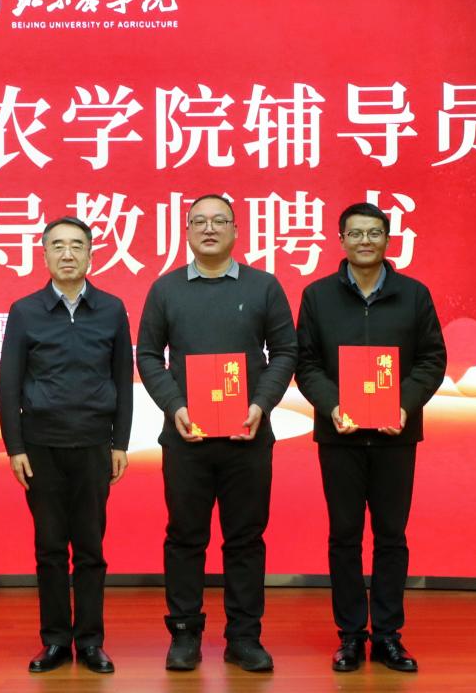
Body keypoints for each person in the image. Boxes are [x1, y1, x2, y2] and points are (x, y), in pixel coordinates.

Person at [136, 193, 298, 673]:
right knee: (185, 537)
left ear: (235, 230)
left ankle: (244, 637)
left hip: (248, 437)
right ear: (186, 230)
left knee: (245, 539)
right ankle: (184, 634)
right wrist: (175, 406)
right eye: (200, 222)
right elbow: (148, 355)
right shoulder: (165, 289)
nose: (209, 229)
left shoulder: (264, 286)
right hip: (186, 439)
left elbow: (285, 351)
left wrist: (260, 404)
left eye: (219, 221)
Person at [294, 201, 446, 673]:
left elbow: (432, 360)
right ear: (341, 239)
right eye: (356, 233)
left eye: (374, 233)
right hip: (338, 435)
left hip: (395, 435)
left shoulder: (414, 295)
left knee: (391, 536)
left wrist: (404, 405)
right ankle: (350, 637)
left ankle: (387, 636)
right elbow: (306, 363)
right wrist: (332, 406)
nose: (365, 241)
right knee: (344, 536)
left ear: (387, 239)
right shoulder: (317, 296)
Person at [0, 217, 133, 675]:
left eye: (77, 245)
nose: (68, 254)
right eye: (57, 246)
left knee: (91, 548)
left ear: (91, 253)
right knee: (51, 547)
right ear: (44, 255)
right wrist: (15, 447)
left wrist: (120, 442)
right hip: (41, 447)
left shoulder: (111, 309)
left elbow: (123, 380)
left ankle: (91, 641)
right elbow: (10, 383)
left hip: (94, 444)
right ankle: (55, 640)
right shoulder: (25, 311)